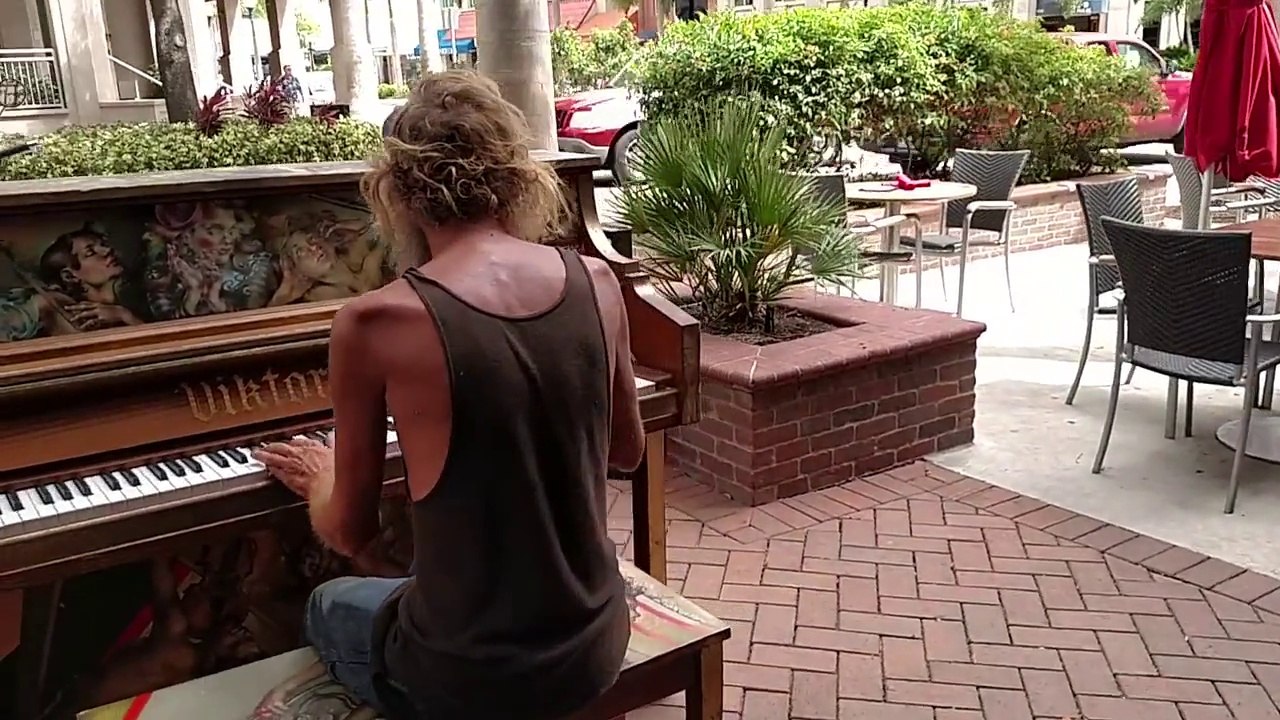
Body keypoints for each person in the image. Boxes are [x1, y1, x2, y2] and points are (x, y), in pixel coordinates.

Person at [253, 70, 646, 720]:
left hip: (472, 676)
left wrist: (321, 476)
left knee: (328, 602)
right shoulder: (597, 280)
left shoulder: (374, 321)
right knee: (412, 583)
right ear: (514, 175)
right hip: (594, 638)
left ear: (396, 194)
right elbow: (626, 451)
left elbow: (348, 527)